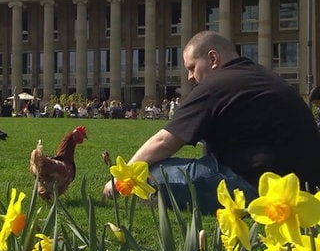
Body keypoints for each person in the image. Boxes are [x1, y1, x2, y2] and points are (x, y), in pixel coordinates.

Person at [103, 30, 320, 214]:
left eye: (191, 67)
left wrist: (124, 178)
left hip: (257, 190)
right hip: (302, 191)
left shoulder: (216, 84)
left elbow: (165, 141)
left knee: (149, 177)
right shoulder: (260, 76)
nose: (189, 77)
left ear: (213, 59)